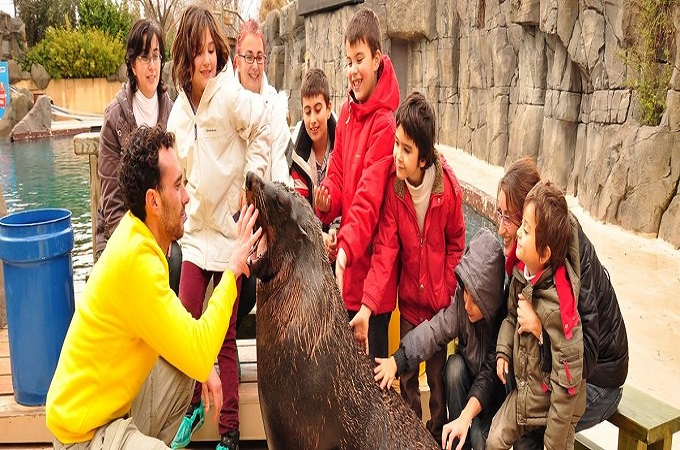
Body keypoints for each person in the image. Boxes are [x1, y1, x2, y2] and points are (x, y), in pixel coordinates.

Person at [45, 125, 262, 449]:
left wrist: (201, 367)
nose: (187, 196)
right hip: (81, 436)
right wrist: (232, 269)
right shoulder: (138, 260)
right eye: (178, 186)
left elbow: (190, 344)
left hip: (109, 412)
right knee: (193, 360)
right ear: (154, 202)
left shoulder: (139, 236)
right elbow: (202, 352)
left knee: (184, 366)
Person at [166, 5, 270, 450]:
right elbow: (171, 170)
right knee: (187, 322)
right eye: (199, 51)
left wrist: (251, 187)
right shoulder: (175, 114)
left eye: (212, 50)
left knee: (224, 337)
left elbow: (265, 124)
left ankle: (229, 431)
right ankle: (190, 409)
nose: (207, 60)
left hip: (228, 239)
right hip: (194, 238)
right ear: (185, 58)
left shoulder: (228, 94)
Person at [496, 157, 629, 450]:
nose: (503, 228)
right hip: (558, 370)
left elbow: (584, 356)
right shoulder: (527, 255)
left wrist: (540, 327)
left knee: (529, 438)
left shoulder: (570, 259)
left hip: (596, 378)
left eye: (510, 218)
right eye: (499, 214)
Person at [363, 91, 466, 440]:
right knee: (407, 381)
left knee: (437, 384)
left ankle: (435, 439)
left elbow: (457, 243)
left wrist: (447, 289)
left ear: (424, 157)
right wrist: (367, 305)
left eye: (406, 149)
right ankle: (410, 440)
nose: (397, 155)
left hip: (437, 307)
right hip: (408, 305)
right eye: (396, 144)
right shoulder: (396, 191)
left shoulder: (448, 190)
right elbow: (386, 249)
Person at [314, 6, 400, 359]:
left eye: (359, 59)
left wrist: (345, 250)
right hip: (348, 276)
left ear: (377, 59)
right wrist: (327, 199)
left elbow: (367, 200)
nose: (352, 70)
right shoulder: (346, 114)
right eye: (348, 60)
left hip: (372, 290)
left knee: (371, 385)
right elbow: (337, 172)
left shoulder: (384, 124)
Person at [373, 226, 505, 448]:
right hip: (467, 383)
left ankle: (467, 432)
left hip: (492, 396)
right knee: (454, 367)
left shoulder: (503, 320)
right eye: (465, 294)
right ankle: (455, 442)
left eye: (476, 300)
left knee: (479, 438)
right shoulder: (461, 309)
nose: (467, 304)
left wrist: (468, 417)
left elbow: (490, 377)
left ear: (490, 300)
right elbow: (433, 331)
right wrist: (397, 361)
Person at [487, 180, 586, 450]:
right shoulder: (521, 274)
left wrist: (551, 445)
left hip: (556, 405)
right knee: (494, 440)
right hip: (526, 394)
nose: (518, 233)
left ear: (544, 253)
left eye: (526, 230)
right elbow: (511, 316)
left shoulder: (561, 305)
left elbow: (568, 388)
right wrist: (503, 350)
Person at [96, 19, 180, 289]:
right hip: (122, 230)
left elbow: (180, 183)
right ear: (132, 64)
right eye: (145, 57)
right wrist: (141, 246)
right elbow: (111, 200)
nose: (152, 65)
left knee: (176, 260)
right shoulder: (115, 116)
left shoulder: (173, 112)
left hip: (164, 227)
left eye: (156, 56)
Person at [233, 18, 292, 186]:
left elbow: (281, 167)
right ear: (237, 61)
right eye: (249, 57)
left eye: (259, 57)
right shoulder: (225, 102)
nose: (255, 66)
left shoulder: (275, 106)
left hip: (267, 203)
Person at [290, 67, 339, 261]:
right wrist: (321, 238)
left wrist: (334, 234)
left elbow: (348, 198)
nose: (312, 120)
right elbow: (299, 210)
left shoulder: (343, 144)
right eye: (307, 111)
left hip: (340, 239)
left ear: (329, 108)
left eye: (318, 110)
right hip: (308, 244)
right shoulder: (296, 154)